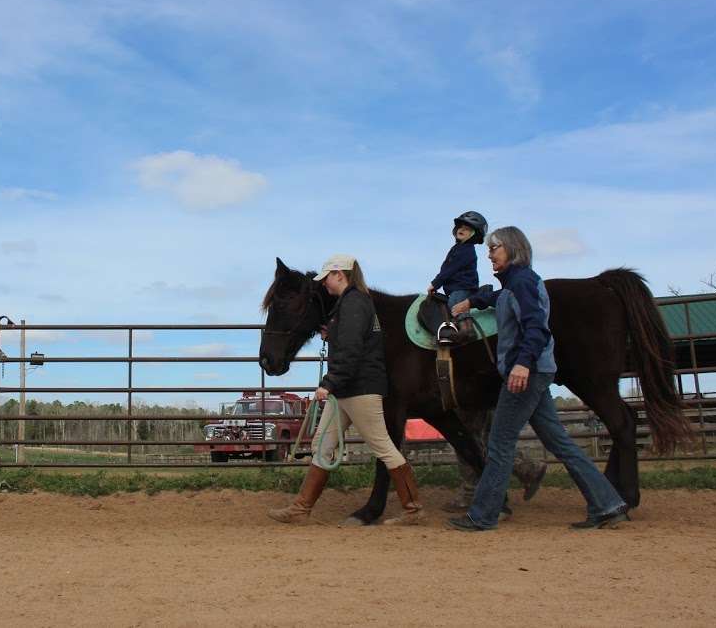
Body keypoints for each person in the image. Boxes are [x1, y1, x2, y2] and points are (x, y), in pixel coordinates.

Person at [446, 227, 629, 531]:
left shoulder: (523, 284)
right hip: (536, 372)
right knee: (559, 441)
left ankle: (483, 515)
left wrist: (521, 365)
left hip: (526, 374)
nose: (490, 254)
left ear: (513, 249)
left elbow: (536, 328)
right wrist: (473, 302)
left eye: (495, 248)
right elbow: (499, 297)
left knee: (499, 442)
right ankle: (607, 504)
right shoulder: (517, 283)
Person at [268, 254, 423, 526]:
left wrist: (328, 384)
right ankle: (301, 507)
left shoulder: (353, 303)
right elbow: (354, 340)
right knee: (322, 445)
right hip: (347, 389)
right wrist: (333, 335)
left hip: (360, 388)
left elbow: (352, 353)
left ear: (340, 274)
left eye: (327, 278)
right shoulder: (350, 304)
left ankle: (413, 508)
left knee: (384, 447)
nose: (324, 284)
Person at [427, 211, 487, 319]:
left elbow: (449, 269)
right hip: (455, 289)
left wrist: (435, 284)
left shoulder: (466, 250)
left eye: (467, 229)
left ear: (474, 235)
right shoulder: (457, 249)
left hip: (463, 289)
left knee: (455, 307)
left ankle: (465, 330)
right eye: (460, 227)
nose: (462, 230)